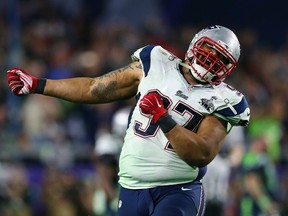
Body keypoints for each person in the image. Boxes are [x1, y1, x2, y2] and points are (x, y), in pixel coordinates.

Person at [6, 25, 250, 216]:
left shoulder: (224, 99)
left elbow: (202, 154)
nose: (211, 60)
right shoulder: (156, 62)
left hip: (178, 191)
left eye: (221, 58)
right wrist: (39, 84)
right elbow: (94, 87)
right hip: (132, 187)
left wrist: (162, 118)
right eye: (209, 50)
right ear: (196, 43)